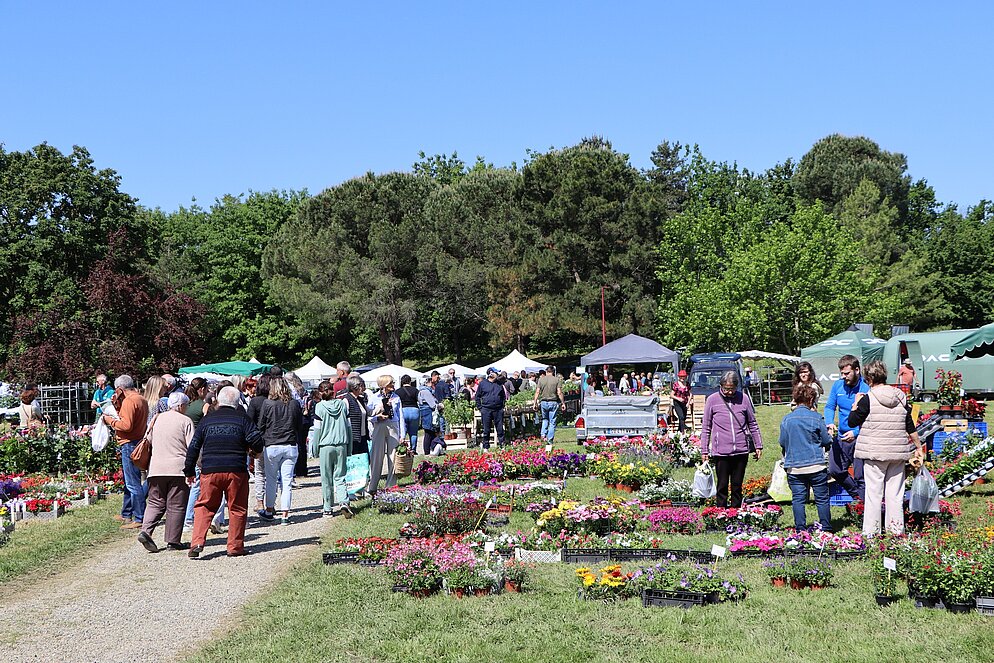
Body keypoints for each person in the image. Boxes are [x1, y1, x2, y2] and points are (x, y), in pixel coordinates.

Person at [184, 386, 264, 558]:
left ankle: (197, 542)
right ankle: (235, 547)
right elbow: (257, 441)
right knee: (237, 508)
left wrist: (189, 470)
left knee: (204, 506)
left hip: (210, 470)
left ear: (218, 401)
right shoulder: (242, 419)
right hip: (236, 470)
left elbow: (194, 446)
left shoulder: (207, 420)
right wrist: (253, 451)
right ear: (237, 402)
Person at [848, 360, 925, 537]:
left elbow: (852, 421)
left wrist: (855, 405)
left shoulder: (868, 398)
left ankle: (872, 534)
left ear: (868, 378)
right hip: (897, 453)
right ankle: (896, 531)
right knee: (895, 495)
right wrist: (918, 446)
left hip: (875, 453)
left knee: (874, 494)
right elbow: (909, 425)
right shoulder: (899, 397)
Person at [138, 392, 194, 552]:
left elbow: (147, 441)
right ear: (181, 406)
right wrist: (199, 466)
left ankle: (146, 531)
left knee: (155, 502)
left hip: (155, 468)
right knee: (176, 505)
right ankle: (173, 540)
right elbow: (192, 447)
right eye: (186, 405)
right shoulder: (185, 421)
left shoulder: (156, 419)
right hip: (178, 469)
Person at [700, 371, 763, 508]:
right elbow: (706, 427)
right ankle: (721, 512)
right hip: (721, 451)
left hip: (741, 450)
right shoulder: (712, 400)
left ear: (736, 387)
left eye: (732, 389)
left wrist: (758, 445)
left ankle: (736, 513)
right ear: (721, 385)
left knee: (737, 486)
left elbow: (752, 423)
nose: (729, 392)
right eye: (726, 388)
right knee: (722, 485)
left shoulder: (744, 399)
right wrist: (704, 450)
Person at [778, 383, 833, 531]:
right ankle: (826, 527)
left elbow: (782, 442)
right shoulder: (816, 417)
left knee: (798, 499)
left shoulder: (786, 419)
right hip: (816, 465)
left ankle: (800, 529)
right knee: (821, 499)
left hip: (794, 467)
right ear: (811, 400)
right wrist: (830, 436)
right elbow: (826, 441)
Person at [103, 375, 149, 530]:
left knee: (132, 482)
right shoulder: (141, 399)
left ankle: (139, 517)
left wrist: (109, 420)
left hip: (129, 444)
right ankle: (126, 513)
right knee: (130, 481)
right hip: (137, 442)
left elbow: (126, 425)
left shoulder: (129, 401)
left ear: (119, 389)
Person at [823, 355, 869, 501]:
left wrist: (856, 432)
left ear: (857, 370)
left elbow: (871, 416)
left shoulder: (866, 388)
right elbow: (830, 406)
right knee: (835, 470)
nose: (844, 377)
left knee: (861, 476)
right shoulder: (838, 386)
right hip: (841, 437)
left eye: (847, 373)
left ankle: (863, 512)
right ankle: (857, 495)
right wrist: (829, 422)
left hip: (860, 438)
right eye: (841, 373)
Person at [257, 378, 302, 525]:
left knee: (271, 480)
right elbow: (299, 424)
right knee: (287, 481)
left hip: (272, 445)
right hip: (290, 444)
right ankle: (285, 514)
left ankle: (269, 510)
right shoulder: (294, 404)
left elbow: (261, 425)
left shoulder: (268, 404)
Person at [311, 380, 353, 517]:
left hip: (325, 445)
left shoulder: (319, 407)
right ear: (333, 391)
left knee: (326, 478)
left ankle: (327, 507)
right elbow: (349, 427)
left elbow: (317, 431)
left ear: (320, 392)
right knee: (340, 476)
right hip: (342, 444)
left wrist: (314, 448)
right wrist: (350, 446)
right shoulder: (342, 405)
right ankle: (344, 502)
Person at [368, 375, 404, 495]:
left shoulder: (396, 397)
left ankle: (391, 484)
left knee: (393, 455)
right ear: (383, 385)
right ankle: (372, 485)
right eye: (390, 383)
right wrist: (377, 418)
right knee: (376, 455)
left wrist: (402, 434)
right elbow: (369, 415)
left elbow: (401, 416)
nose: (393, 385)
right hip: (379, 426)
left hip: (393, 425)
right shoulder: (374, 397)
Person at [343, 375, 371, 496]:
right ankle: (351, 490)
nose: (362, 388)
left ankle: (362, 488)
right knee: (353, 464)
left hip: (363, 436)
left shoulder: (360, 399)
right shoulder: (346, 400)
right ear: (354, 387)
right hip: (353, 438)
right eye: (360, 385)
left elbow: (368, 412)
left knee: (364, 463)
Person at [475, 367, 507, 450]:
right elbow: (477, 396)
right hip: (486, 409)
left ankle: (502, 445)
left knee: (500, 428)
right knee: (486, 429)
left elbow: (503, 396)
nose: (498, 375)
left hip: (498, 409)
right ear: (491, 374)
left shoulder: (499, 383)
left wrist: (502, 406)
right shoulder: (483, 384)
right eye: (496, 373)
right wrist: (480, 407)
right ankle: (486, 446)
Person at [534, 366, 566, 443]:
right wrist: (563, 403)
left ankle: (543, 434)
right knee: (552, 421)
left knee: (545, 419)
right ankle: (550, 438)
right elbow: (559, 392)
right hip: (553, 401)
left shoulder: (541, 379)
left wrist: (535, 403)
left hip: (544, 402)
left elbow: (537, 392)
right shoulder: (556, 380)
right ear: (553, 371)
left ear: (546, 371)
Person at [418, 375, 444, 455]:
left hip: (425, 413)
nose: (431, 382)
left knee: (429, 432)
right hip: (428, 414)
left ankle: (430, 450)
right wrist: (440, 405)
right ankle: (427, 452)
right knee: (429, 432)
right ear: (425, 383)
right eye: (429, 381)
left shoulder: (421, 391)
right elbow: (432, 405)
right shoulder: (426, 392)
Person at [396, 375, 421, 453]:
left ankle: (402, 449)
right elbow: (420, 401)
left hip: (403, 410)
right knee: (413, 432)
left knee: (402, 431)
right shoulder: (415, 390)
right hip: (414, 410)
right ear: (410, 381)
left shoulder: (398, 391)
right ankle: (413, 449)